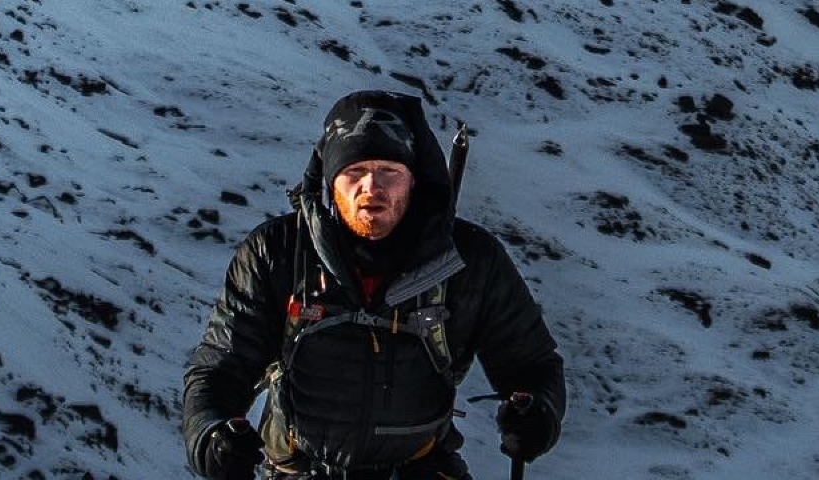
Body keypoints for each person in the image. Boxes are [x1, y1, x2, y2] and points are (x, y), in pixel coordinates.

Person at [182, 90, 566, 479]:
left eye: (389, 171)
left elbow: (532, 364)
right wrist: (210, 438)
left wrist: (538, 415)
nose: (371, 186)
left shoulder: (469, 260)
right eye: (354, 171)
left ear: (413, 180)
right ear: (330, 182)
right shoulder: (276, 253)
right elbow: (219, 369)